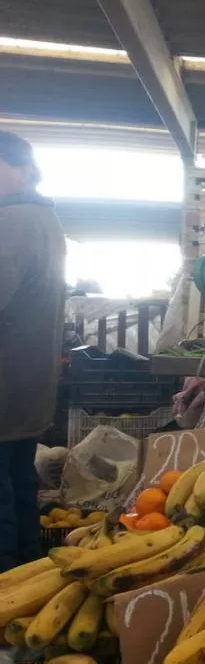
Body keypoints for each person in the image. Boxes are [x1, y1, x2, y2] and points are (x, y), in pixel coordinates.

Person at [0, 131, 66, 572]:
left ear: (22, 171)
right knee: (19, 480)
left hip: (6, 380)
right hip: (28, 383)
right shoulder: (44, 219)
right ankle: (25, 573)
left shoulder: (14, 221)